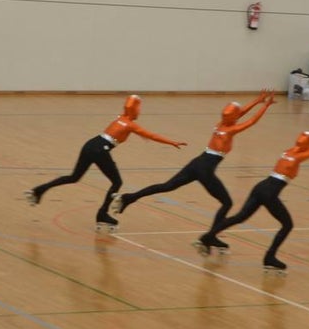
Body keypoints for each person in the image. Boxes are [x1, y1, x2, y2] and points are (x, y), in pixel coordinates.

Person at [111, 91, 276, 245]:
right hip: (206, 169)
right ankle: (210, 237)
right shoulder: (231, 129)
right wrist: (265, 106)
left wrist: (257, 101)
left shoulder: (221, 124)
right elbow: (251, 121)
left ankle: (128, 198)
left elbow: (238, 114)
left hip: (197, 162)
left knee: (167, 186)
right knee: (227, 203)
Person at [24, 95, 187, 232]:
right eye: (138, 109)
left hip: (90, 144)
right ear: (135, 110)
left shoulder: (120, 118)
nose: (140, 111)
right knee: (117, 182)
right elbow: (152, 136)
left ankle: (38, 190)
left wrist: (133, 102)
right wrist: (172, 142)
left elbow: (130, 120)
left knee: (74, 177)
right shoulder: (130, 124)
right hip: (100, 150)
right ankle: (102, 214)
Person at [195, 124, 309, 272]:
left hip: (260, 187)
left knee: (239, 217)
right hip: (269, 193)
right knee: (287, 225)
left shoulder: (289, 151)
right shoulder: (298, 157)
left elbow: (305, 145)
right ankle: (270, 257)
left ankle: (207, 237)